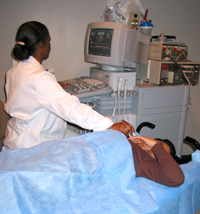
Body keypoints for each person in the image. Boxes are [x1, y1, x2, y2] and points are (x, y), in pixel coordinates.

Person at [3, 21, 134, 150]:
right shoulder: (39, 79)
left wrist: (52, 86)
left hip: (20, 136)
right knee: (91, 148)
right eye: (49, 41)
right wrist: (107, 125)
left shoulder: (14, 72)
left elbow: (29, 94)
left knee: (85, 142)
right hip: (36, 143)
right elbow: (70, 108)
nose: (50, 45)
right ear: (41, 44)